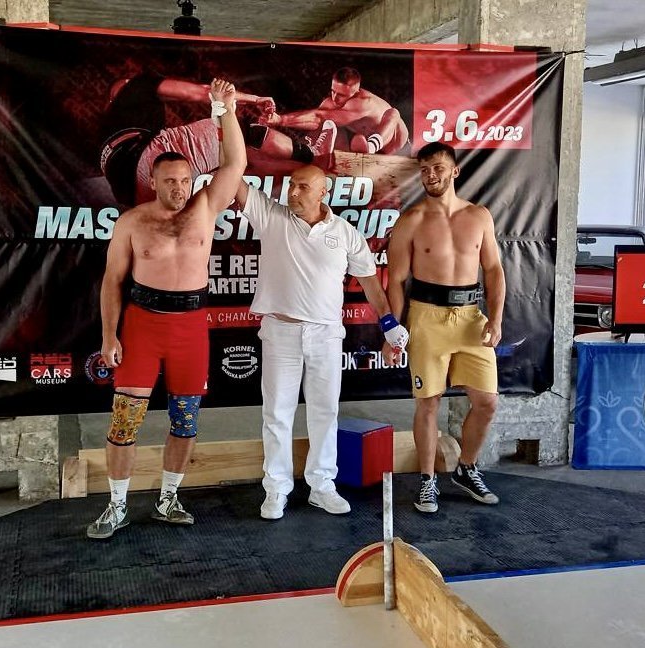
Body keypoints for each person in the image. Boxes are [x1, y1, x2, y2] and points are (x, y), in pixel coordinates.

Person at [86, 78, 247, 539]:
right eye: (170, 181)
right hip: (142, 327)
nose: (179, 188)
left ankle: (168, 498)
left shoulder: (205, 207)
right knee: (125, 421)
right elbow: (112, 282)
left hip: (191, 328)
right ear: (152, 181)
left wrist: (225, 109)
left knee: (186, 421)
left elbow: (235, 162)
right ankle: (117, 506)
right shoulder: (132, 222)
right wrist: (109, 336)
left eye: (185, 180)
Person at [235, 164, 409, 520]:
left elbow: (371, 284)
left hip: (326, 335)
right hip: (281, 332)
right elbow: (233, 181)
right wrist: (226, 131)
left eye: (303, 187)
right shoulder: (271, 217)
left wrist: (389, 326)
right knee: (277, 413)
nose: (293, 192)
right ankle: (276, 488)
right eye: (291, 185)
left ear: (323, 193)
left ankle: (322, 485)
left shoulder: (344, 233)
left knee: (325, 412)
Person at [386, 142, 506, 514]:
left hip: (471, 318)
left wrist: (496, 318)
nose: (431, 175)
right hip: (426, 317)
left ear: (454, 171)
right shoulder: (411, 220)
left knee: (486, 402)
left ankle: (466, 468)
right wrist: (393, 331)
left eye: (438, 167)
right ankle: (427, 481)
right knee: (428, 402)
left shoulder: (479, 216)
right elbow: (395, 280)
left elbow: (493, 270)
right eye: (424, 169)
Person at [99, 73, 274, 205]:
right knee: (237, 130)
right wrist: (255, 99)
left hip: (136, 198)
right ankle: (292, 156)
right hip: (140, 158)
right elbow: (202, 93)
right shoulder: (135, 85)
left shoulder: (106, 128)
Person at [248, 67, 409, 167]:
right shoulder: (330, 102)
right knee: (330, 127)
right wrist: (279, 120)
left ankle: (370, 148)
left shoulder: (365, 103)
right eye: (333, 91)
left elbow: (319, 116)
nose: (335, 98)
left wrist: (281, 120)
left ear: (356, 91)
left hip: (393, 143)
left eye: (341, 95)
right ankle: (319, 155)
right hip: (360, 144)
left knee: (393, 113)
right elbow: (316, 120)